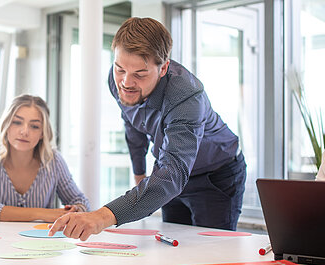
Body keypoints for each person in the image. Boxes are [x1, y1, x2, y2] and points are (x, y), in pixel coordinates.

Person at [50, 17, 246, 241]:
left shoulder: (188, 96)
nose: (126, 82)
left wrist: (101, 217)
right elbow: (133, 125)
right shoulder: (118, 81)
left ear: (163, 68)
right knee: (172, 244)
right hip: (170, 170)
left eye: (140, 75)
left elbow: (172, 175)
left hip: (216, 174)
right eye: (120, 69)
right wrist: (139, 174)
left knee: (211, 251)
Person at [0, 94, 90, 222]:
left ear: (42, 133)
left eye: (34, 126)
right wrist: (44, 214)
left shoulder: (53, 159)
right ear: (6, 126)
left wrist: (77, 210)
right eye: (17, 122)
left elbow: (80, 201)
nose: (24, 131)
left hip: (36, 239)